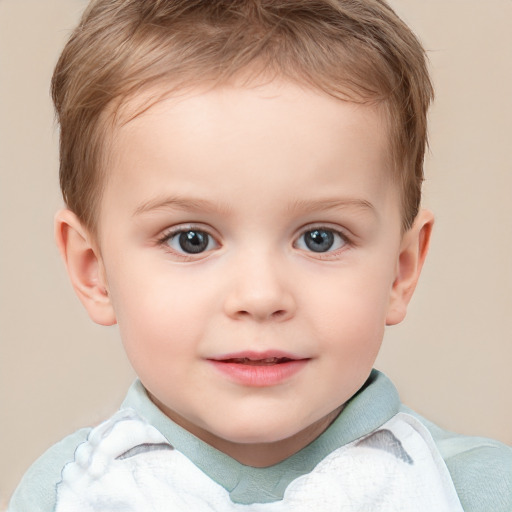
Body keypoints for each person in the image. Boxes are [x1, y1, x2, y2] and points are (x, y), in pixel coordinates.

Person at [8, 0, 512, 510]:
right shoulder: (65, 493)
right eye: (192, 239)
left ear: (400, 272)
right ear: (93, 270)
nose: (260, 295)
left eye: (320, 238)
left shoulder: (477, 491)